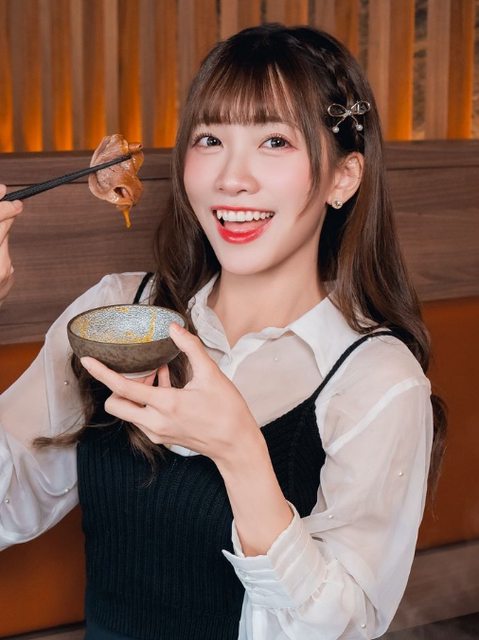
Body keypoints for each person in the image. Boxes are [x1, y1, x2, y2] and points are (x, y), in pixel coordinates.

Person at [0, 24, 445, 640]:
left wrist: (239, 452)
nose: (231, 178)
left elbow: (340, 626)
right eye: (210, 139)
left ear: (343, 177)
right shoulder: (117, 312)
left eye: (274, 141)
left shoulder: (376, 377)